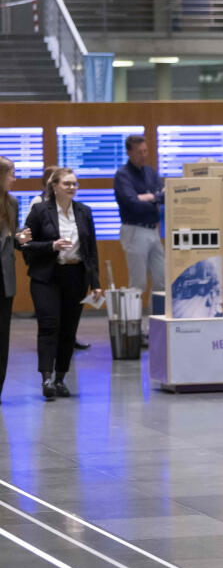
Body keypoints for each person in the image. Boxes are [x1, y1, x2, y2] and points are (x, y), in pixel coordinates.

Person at [22, 168, 102, 400]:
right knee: (49, 326)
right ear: (54, 186)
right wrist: (51, 246)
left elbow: (91, 251)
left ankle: (60, 377)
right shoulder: (39, 211)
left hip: (75, 276)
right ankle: (46, 378)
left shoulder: (84, 212)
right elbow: (24, 243)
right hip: (46, 277)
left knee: (68, 329)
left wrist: (95, 283)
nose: (71, 187)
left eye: (75, 183)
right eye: (66, 183)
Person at [114, 134, 163, 345]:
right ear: (129, 152)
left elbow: (164, 195)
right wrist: (152, 197)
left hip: (153, 231)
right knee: (138, 284)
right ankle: (134, 332)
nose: (144, 155)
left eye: (146, 150)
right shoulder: (122, 175)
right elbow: (131, 203)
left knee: (161, 281)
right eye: (140, 151)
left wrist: (149, 197)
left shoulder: (150, 172)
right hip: (134, 230)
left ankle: (157, 329)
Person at [0, 157, 27, 401]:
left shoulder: (12, 203)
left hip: (4, 279)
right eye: (11, 174)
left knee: (2, 336)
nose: (14, 179)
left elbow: (13, 238)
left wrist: (21, 238)